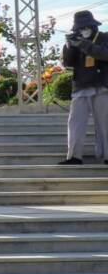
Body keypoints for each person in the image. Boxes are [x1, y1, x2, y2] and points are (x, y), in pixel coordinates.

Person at [59, 11, 108, 165]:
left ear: (93, 26)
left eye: (86, 27)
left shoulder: (104, 38)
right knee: (75, 123)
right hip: (81, 86)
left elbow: (105, 54)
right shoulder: (75, 41)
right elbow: (68, 63)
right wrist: (69, 47)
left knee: (105, 123)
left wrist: (85, 44)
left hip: (102, 85)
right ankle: (74, 156)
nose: (83, 30)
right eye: (80, 28)